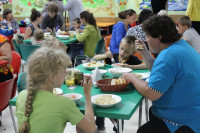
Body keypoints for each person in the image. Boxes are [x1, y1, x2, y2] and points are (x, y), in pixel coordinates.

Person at [121, 15, 200, 133]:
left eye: (148, 36)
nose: (146, 40)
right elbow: (161, 71)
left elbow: (152, 93)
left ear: (159, 37)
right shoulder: (180, 46)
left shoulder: (169, 55)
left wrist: (131, 77)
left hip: (182, 121)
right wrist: (145, 54)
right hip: (192, 112)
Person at [16, 47, 95, 133]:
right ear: (52, 76)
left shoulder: (22, 95)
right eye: (64, 71)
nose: (66, 73)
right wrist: (87, 95)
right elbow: (90, 129)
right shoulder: (65, 103)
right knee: (81, 129)